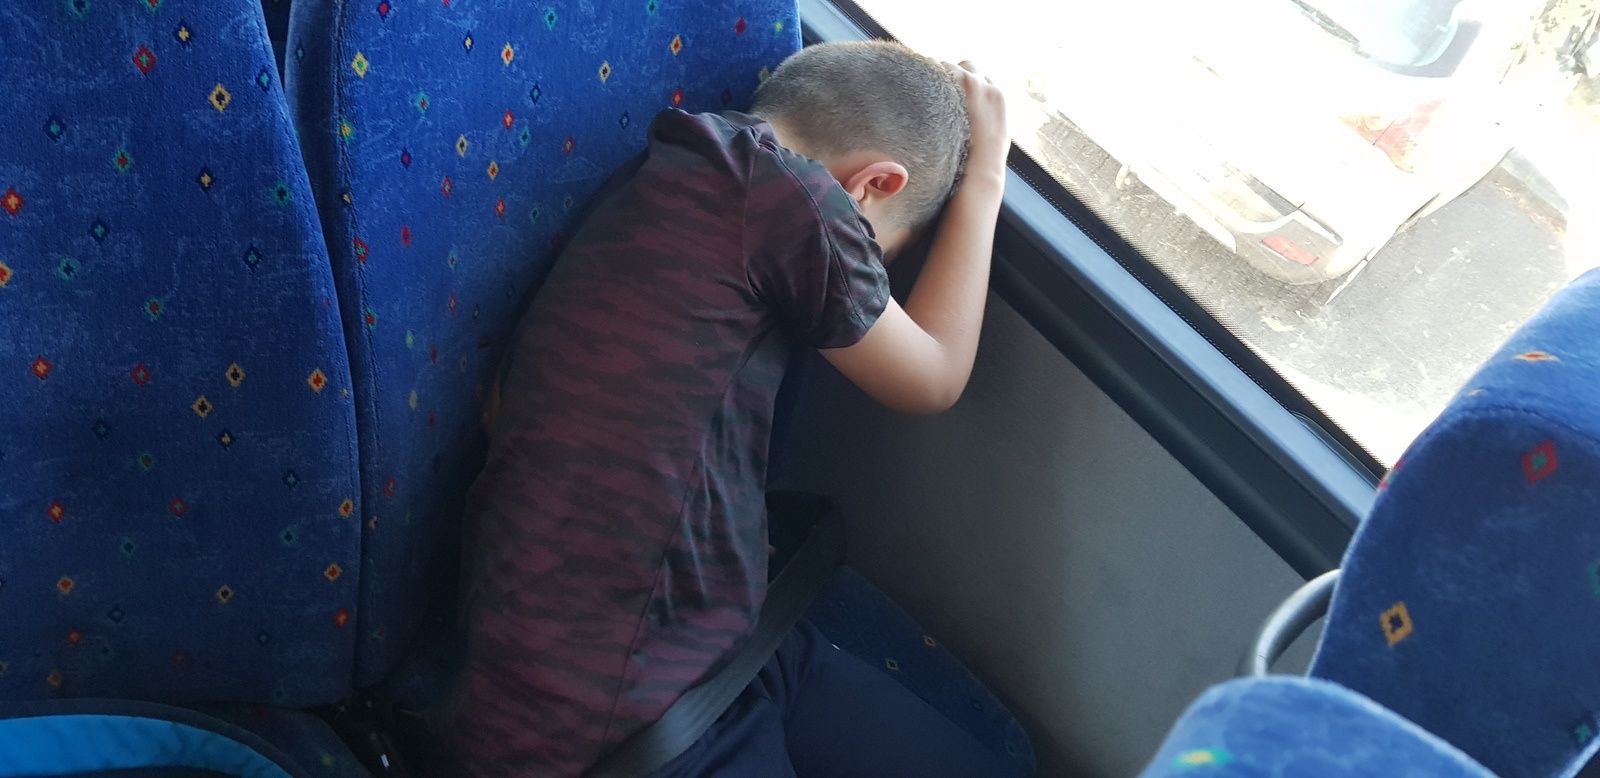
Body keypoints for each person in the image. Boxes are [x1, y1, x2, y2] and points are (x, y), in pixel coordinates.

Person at [442, 41, 1013, 776]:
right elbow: (932, 376)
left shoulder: (670, 164)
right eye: (880, 258)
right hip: (606, 715)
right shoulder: (797, 200)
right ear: (874, 184)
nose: (869, 281)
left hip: (712, 643)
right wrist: (986, 178)